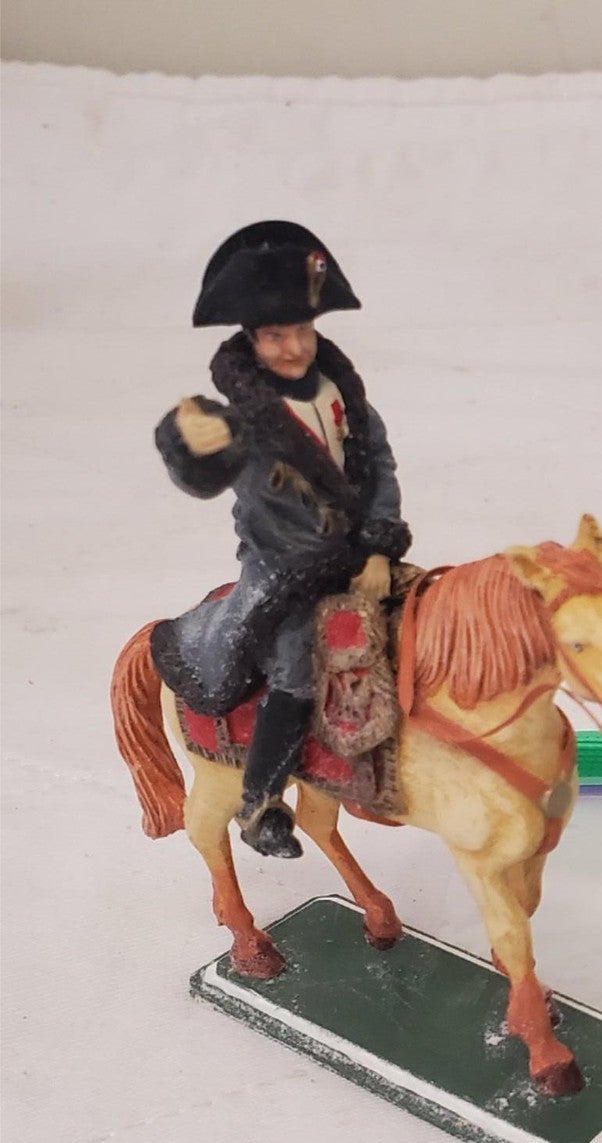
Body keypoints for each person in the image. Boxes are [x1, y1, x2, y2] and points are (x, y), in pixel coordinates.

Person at [150, 220, 412, 858]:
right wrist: (188, 444)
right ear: (252, 339)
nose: (293, 347)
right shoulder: (243, 421)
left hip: (360, 558)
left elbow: (379, 468)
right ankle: (260, 803)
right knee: (296, 670)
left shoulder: (343, 398)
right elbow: (202, 466)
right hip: (286, 572)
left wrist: (380, 547)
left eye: (301, 331)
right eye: (275, 335)